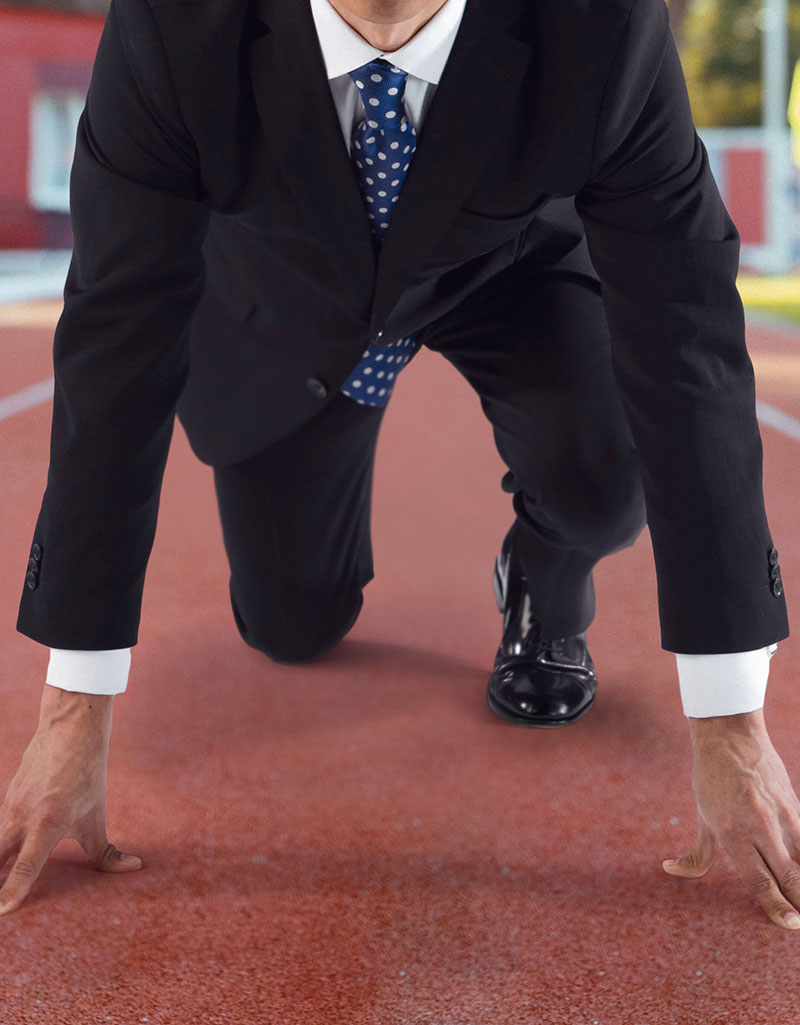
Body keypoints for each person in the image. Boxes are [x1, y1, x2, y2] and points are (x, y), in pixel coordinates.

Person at [1, 0, 798, 928]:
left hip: (507, 265)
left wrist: (732, 720)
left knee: (602, 475)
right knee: (290, 622)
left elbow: (685, 337)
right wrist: (73, 708)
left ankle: (541, 573)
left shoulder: (603, 25)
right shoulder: (177, 25)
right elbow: (116, 343)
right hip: (286, 295)